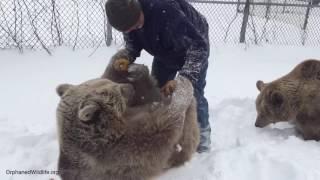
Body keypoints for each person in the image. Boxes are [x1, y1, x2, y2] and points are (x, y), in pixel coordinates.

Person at [105, 0, 211, 152]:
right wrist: (128, 55)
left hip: (193, 47)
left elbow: (198, 47)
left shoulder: (165, 10)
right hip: (165, 50)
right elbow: (133, 43)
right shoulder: (127, 19)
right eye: (130, 29)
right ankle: (163, 131)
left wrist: (184, 79)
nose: (135, 28)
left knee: (194, 95)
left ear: (138, 8)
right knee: (156, 91)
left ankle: (203, 137)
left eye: (136, 23)